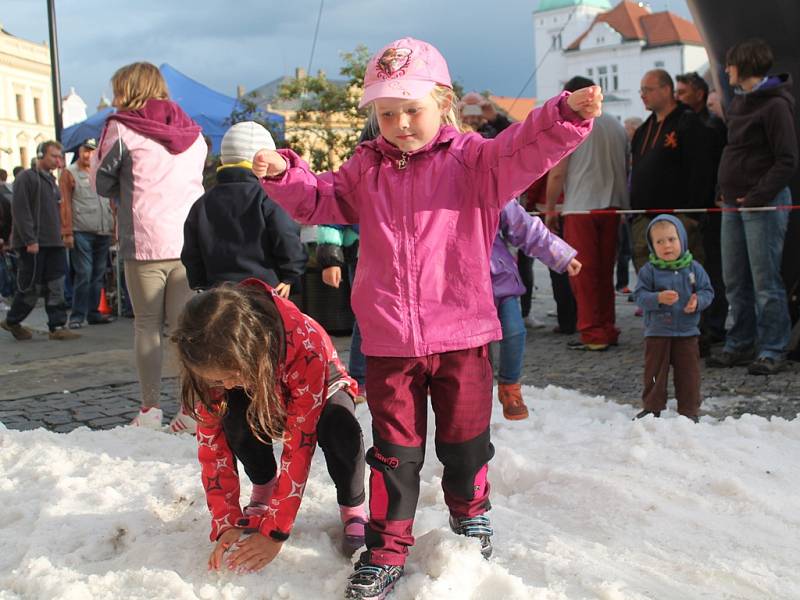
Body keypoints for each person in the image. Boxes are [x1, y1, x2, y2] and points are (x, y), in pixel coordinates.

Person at [251, 37, 597, 599]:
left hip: (461, 333)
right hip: (389, 339)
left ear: (443, 103)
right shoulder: (365, 169)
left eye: (412, 109)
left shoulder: (474, 161)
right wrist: (283, 174)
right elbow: (321, 199)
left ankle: (471, 509)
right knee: (394, 453)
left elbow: (522, 149)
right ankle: (387, 545)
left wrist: (563, 113)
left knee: (464, 442)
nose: (401, 122)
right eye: (387, 113)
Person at [173, 280, 368, 572]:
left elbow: (298, 447)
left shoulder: (306, 343)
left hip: (320, 385)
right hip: (262, 385)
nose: (223, 385)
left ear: (248, 351)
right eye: (216, 380)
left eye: (228, 376)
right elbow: (212, 449)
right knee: (232, 416)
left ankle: (353, 507)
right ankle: (263, 487)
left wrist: (276, 532)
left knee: (340, 425)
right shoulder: (210, 357)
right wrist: (226, 523)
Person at [91, 62, 207, 431]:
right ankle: (191, 410)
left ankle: (150, 409)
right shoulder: (194, 132)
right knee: (186, 330)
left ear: (128, 90)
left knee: (147, 326)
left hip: (144, 242)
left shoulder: (121, 127)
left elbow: (100, 181)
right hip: (189, 242)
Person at [707, 38, 798, 375]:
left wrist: (758, 195)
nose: (726, 70)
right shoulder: (740, 102)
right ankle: (740, 343)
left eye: (730, 65)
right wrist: (723, 187)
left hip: (763, 204)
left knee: (765, 280)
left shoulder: (775, 105)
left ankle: (773, 348)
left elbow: (787, 159)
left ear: (743, 66)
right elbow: (734, 151)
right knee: (734, 279)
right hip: (734, 203)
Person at [545, 76, 629, 352]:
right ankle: (606, 326)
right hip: (613, 205)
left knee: (582, 274)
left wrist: (550, 209)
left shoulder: (572, 124)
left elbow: (557, 172)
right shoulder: (617, 124)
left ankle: (593, 332)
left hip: (581, 207)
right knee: (606, 272)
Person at [181, 121, 306, 294]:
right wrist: (292, 274)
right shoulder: (269, 197)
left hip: (218, 293)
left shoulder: (203, 202)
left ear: (224, 159)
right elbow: (286, 235)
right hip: (265, 290)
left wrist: (199, 282)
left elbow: (191, 251)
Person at [492, 198, 579, 420]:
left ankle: (510, 386)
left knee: (514, 330)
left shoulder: (491, 184)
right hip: (451, 286)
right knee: (467, 350)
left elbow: (523, 226)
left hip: (496, 278)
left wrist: (559, 254)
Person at [630, 69, 715, 271]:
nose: (643, 95)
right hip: (644, 221)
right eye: (641, 90)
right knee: (649, 282)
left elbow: (701, 170)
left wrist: (691, 217)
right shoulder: (643, 130)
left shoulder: (688, 122)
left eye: (647, 89)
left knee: (682, 281)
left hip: (678, 221)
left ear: (666, 89)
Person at [634, 215, 714, 422]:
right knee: (654, 374)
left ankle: (689, 410)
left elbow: (708, 291)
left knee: (689, 375)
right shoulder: (649, 271)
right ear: (652, 246)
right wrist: (657, 298)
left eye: (671, 239)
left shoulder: (694, 268)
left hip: (687, 332)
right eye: (659, 241)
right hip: (657, 332)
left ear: (682, 241)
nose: (666, 245)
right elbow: (640, 297)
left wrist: (698, 301)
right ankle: (652, 407)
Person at [1, 141, 80, 342]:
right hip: (33, 244)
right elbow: (21, 211)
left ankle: (57, 325)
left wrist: (64, 235)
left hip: (53, 242)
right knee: (31, 287)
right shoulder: (25, 179)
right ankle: (13, 320)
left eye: (59, 157)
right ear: (40, 155)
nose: (58, 160)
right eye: (54, 156)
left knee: (56, 284)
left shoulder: (51, 182)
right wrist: (30, 239)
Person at [677, 72, 730, 356]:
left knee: (712, 270)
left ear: (699, 93)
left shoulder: (710, 126)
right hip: (693, 208)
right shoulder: (689, 123)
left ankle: (715, 325)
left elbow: (705, 170)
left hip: (708, 208)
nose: (679, 98)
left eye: (683, 92)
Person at [59, 138, 115, 328]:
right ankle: (77, 316)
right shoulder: (70, 173)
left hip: (103, 230)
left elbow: (111, 201)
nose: (88, 155)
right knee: (84, 273)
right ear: (79, 151)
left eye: (92, 151)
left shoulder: (102, 172)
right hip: (81, 230)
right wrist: (67, 231)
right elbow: (65, 203)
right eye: (85, 150)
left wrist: (114, 229)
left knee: (98, 274)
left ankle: (93, 313)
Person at [317, 223, 367, 397]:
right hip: (364, 251)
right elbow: (332, 213)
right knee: (366, 318)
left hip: (417, 251)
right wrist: (330, 258)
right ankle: (360, 379)